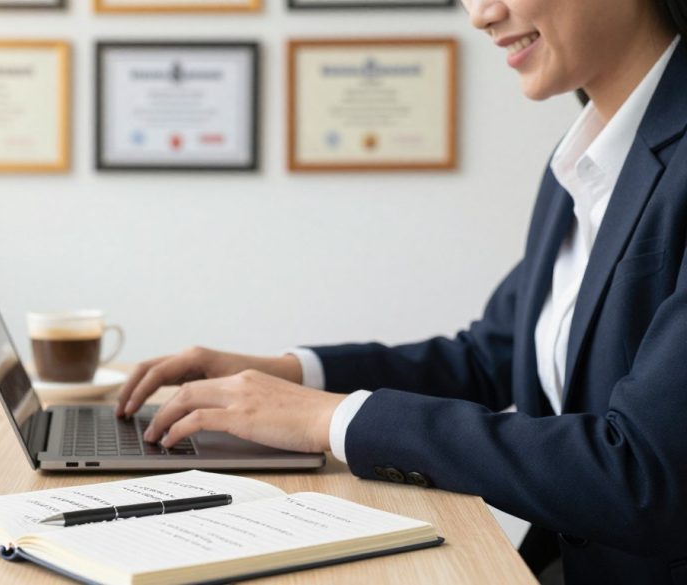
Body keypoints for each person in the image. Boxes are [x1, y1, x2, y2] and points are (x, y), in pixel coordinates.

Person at [115, 1, 687, 583]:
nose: (481, 14)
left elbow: (645, 474)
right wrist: (290, 376)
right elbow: (490, 354)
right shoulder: (584, 157)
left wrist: (331, 420)